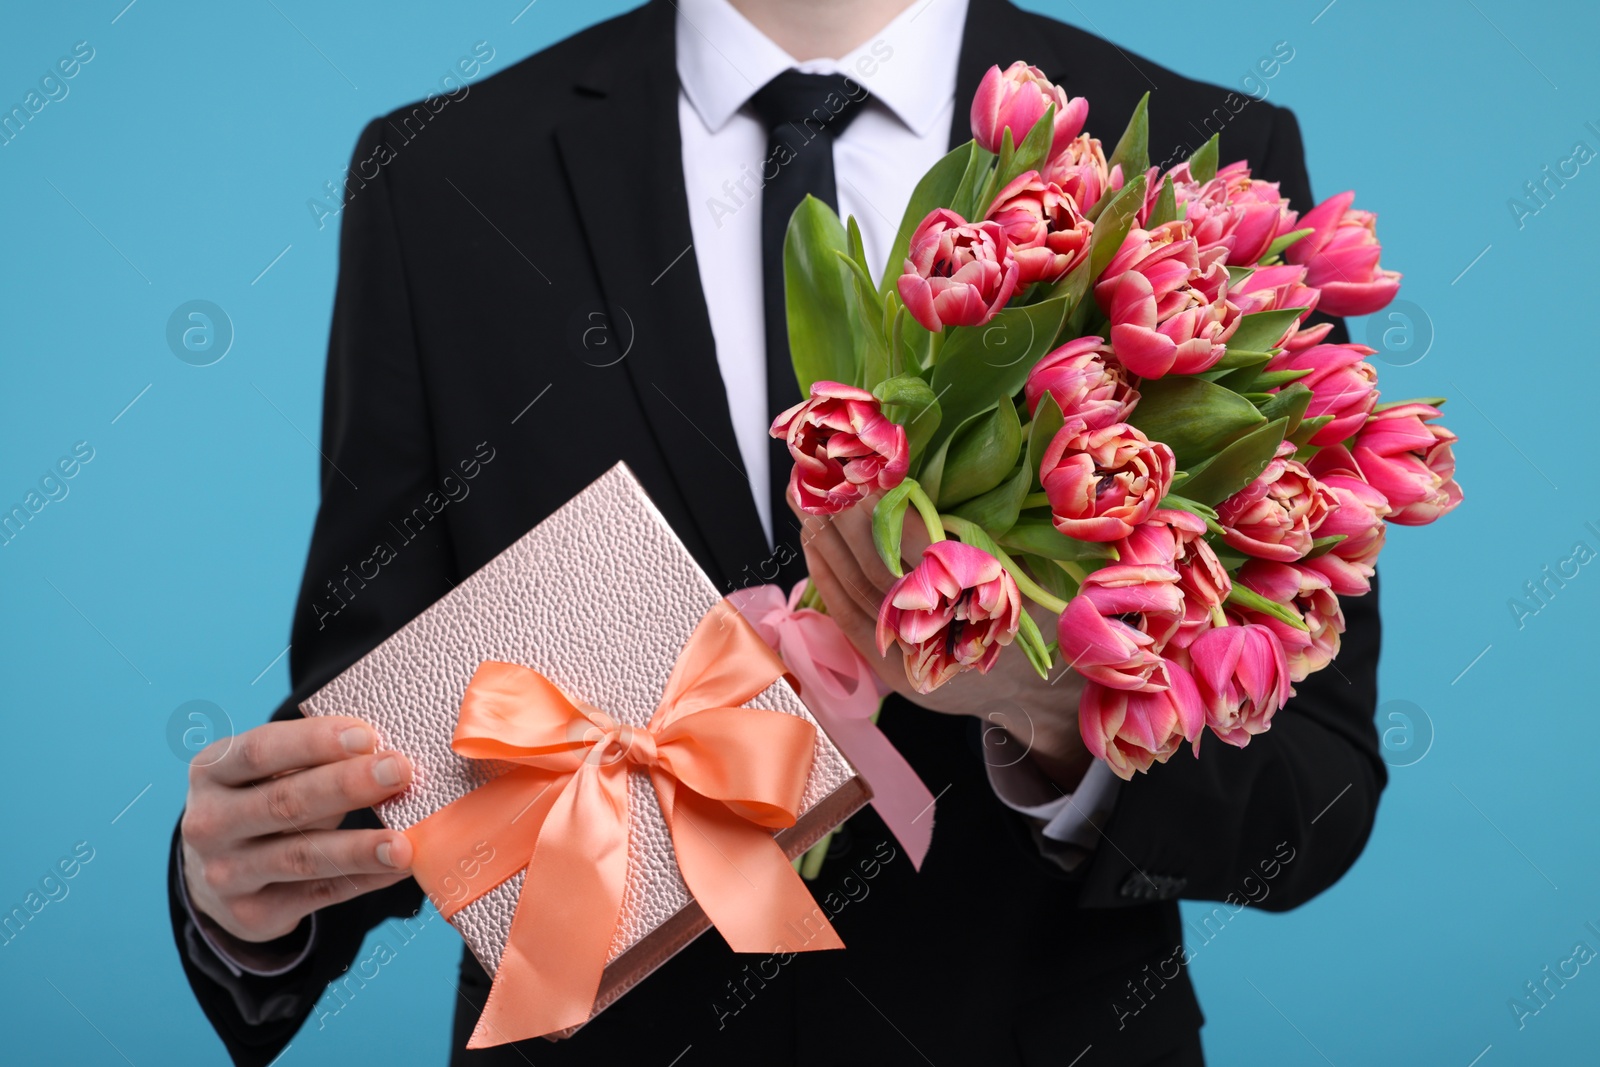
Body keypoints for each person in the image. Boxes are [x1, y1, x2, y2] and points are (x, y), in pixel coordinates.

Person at [169, 0, 1384, 1063]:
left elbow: (1311, 788)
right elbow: (382, 732)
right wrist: (244, 889)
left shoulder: (1193, 156)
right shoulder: (444, 175)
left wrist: (1055, 715)